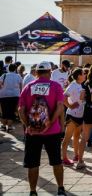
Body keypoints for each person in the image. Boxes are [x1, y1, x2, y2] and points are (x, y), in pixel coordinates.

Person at [17, 61, 66, 196]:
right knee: (56, 161)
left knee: (33, 164)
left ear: (37, 73)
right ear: (50, 72)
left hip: (33, 132)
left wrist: (28, 126)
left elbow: (21, 110)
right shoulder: (56, 86)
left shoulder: (28, 87)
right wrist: (50, 122)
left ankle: (33, 191)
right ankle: (60, 189)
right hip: (52, 131)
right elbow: (60, 106)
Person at [61, 68, 85, 165]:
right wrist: (70, 106)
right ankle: (64, 158)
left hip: (80, 115)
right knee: (67, 138)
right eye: (83, 73)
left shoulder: (80, 85)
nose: (85, 75)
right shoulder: (73, 85)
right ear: (79, 75)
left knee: (76, 137)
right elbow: (63, 97)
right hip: (71, 115)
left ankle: (76, 155)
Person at [0, 63, 23, 132]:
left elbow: (0, 84)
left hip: (3, 95)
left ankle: (3, 126)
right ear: (15, 69)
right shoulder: (18, 76)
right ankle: (9, 127)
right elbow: (21, 86)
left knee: (4, 111)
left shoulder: (3, 75)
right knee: (11, 111)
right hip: (14, 95)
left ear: (8, 68)